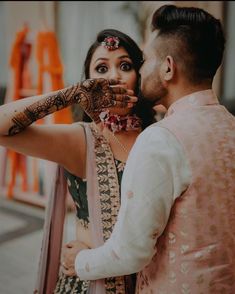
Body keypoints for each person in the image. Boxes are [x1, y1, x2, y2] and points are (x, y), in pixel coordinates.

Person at [63, 5, 235, 293]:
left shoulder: (161, 139)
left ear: (168, 67)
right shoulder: (230, 126)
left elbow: (131, 252)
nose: (141, 70)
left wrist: (78, 260)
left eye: (145, 60)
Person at [0, 29, 155, 294]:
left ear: (139, 77)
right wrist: (71, 95)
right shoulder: (82, 140)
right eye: (101, 69)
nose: (113, 76)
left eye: (125, 66)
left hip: (151, 281)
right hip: (92, 282)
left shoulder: (158, 136)